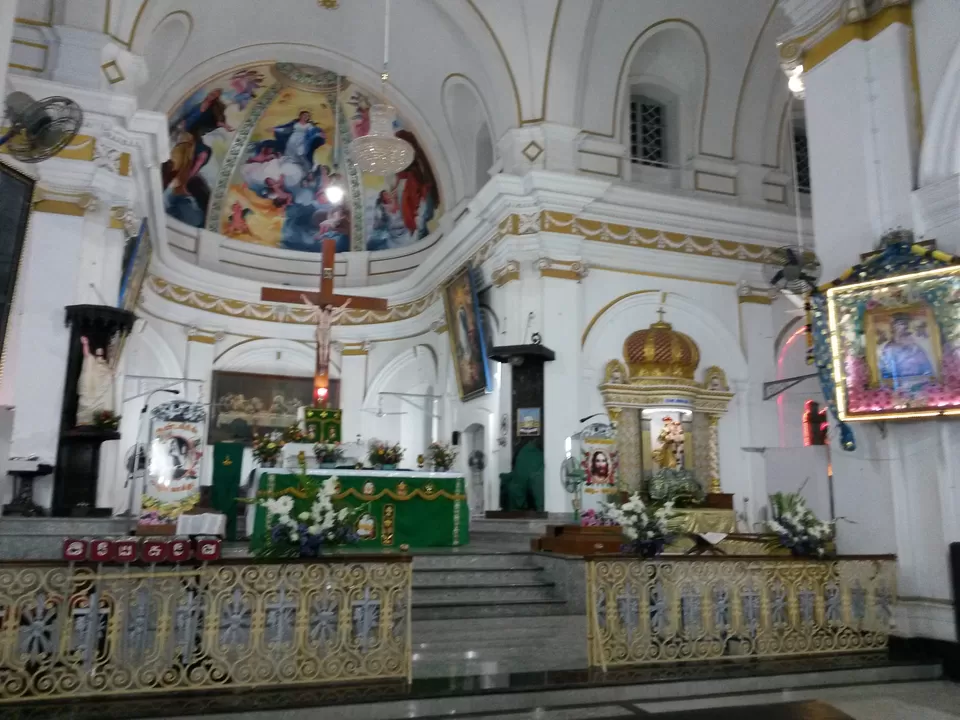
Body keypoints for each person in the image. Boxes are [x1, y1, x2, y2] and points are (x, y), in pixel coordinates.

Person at [879, 314, 935, 386]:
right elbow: (885, 373)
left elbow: (927, 370)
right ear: (893, 328)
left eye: (905, 324)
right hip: (897, 388)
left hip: (918, 386)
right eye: (899, 324)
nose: (904, 327)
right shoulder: (888, 349)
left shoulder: (916, 348)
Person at [76, 336, 115, 425]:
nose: (100, 355)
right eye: (98, 353)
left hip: (99, 393)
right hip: (92, 388)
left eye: (101, 353)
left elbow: (110, 375)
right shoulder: (92, 361)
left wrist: (110, 373)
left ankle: (99, 419)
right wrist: (85, 344)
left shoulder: (105, 365)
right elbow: (87, 355)